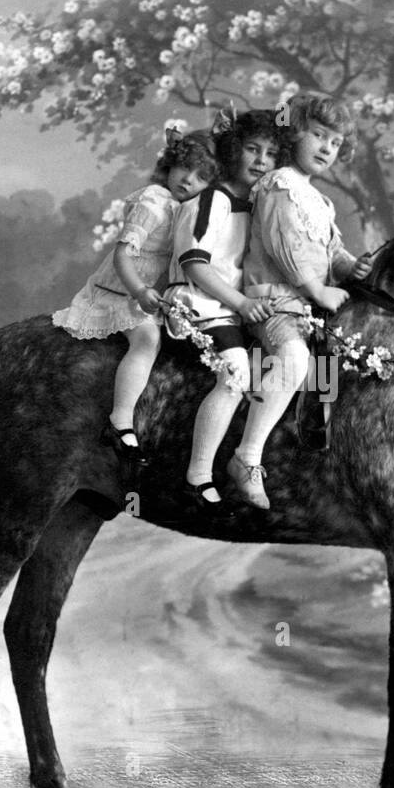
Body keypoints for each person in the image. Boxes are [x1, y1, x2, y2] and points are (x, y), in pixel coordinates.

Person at [227, 91, 373, 509]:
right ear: (294, 134)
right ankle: (247, 458)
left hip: (310, 310)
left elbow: (332, 251)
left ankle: (324, 468)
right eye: (319, 135)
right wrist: (318, 289)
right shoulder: (277, 184)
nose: (327, 147)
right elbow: (282, 247)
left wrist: (348, 269)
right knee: (294, 363)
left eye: (336, 142)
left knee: (344, 374)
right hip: (275, 303)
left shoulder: (320, 201)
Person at [52, 127, 218, 464]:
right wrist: (140, 291)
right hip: (117, 290)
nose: (188, 181)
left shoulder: (184, 210)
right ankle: (120, 420)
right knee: (147, 340)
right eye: (184, 168)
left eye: (201, 177)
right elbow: (123, 255)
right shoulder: (154, 201)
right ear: (170, 165)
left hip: (144, 294)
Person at [164, 108, 280, 508]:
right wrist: (243, 302)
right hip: (199, 301)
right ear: (234, 150)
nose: (261, 161)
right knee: (235, 374)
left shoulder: (258, 205)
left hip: (228, 306)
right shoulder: (213, 199)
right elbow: (194, 264)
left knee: (299, 365)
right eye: (252, 149)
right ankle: (197, 474)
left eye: (270, 153)